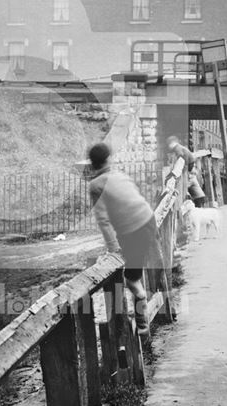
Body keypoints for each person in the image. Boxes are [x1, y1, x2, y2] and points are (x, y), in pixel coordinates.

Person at [85, 142, 158, 335]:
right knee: (135, 268)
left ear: (92, 164)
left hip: (134, 231)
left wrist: (112, 248)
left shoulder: (95, 185)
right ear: (108, 159)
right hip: (148, 221)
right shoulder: (120, 175)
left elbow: (103, 219)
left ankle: (142, 326)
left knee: (131, 280)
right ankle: (147, 310)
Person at [166, 135, 206, 208]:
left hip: (189, 165)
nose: (169, 147)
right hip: (190, 164)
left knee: (184, 186)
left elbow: (181, 156)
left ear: (172, 143)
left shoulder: (177, 148)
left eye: (169, 145)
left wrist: (179, 167)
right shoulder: (181, 147)